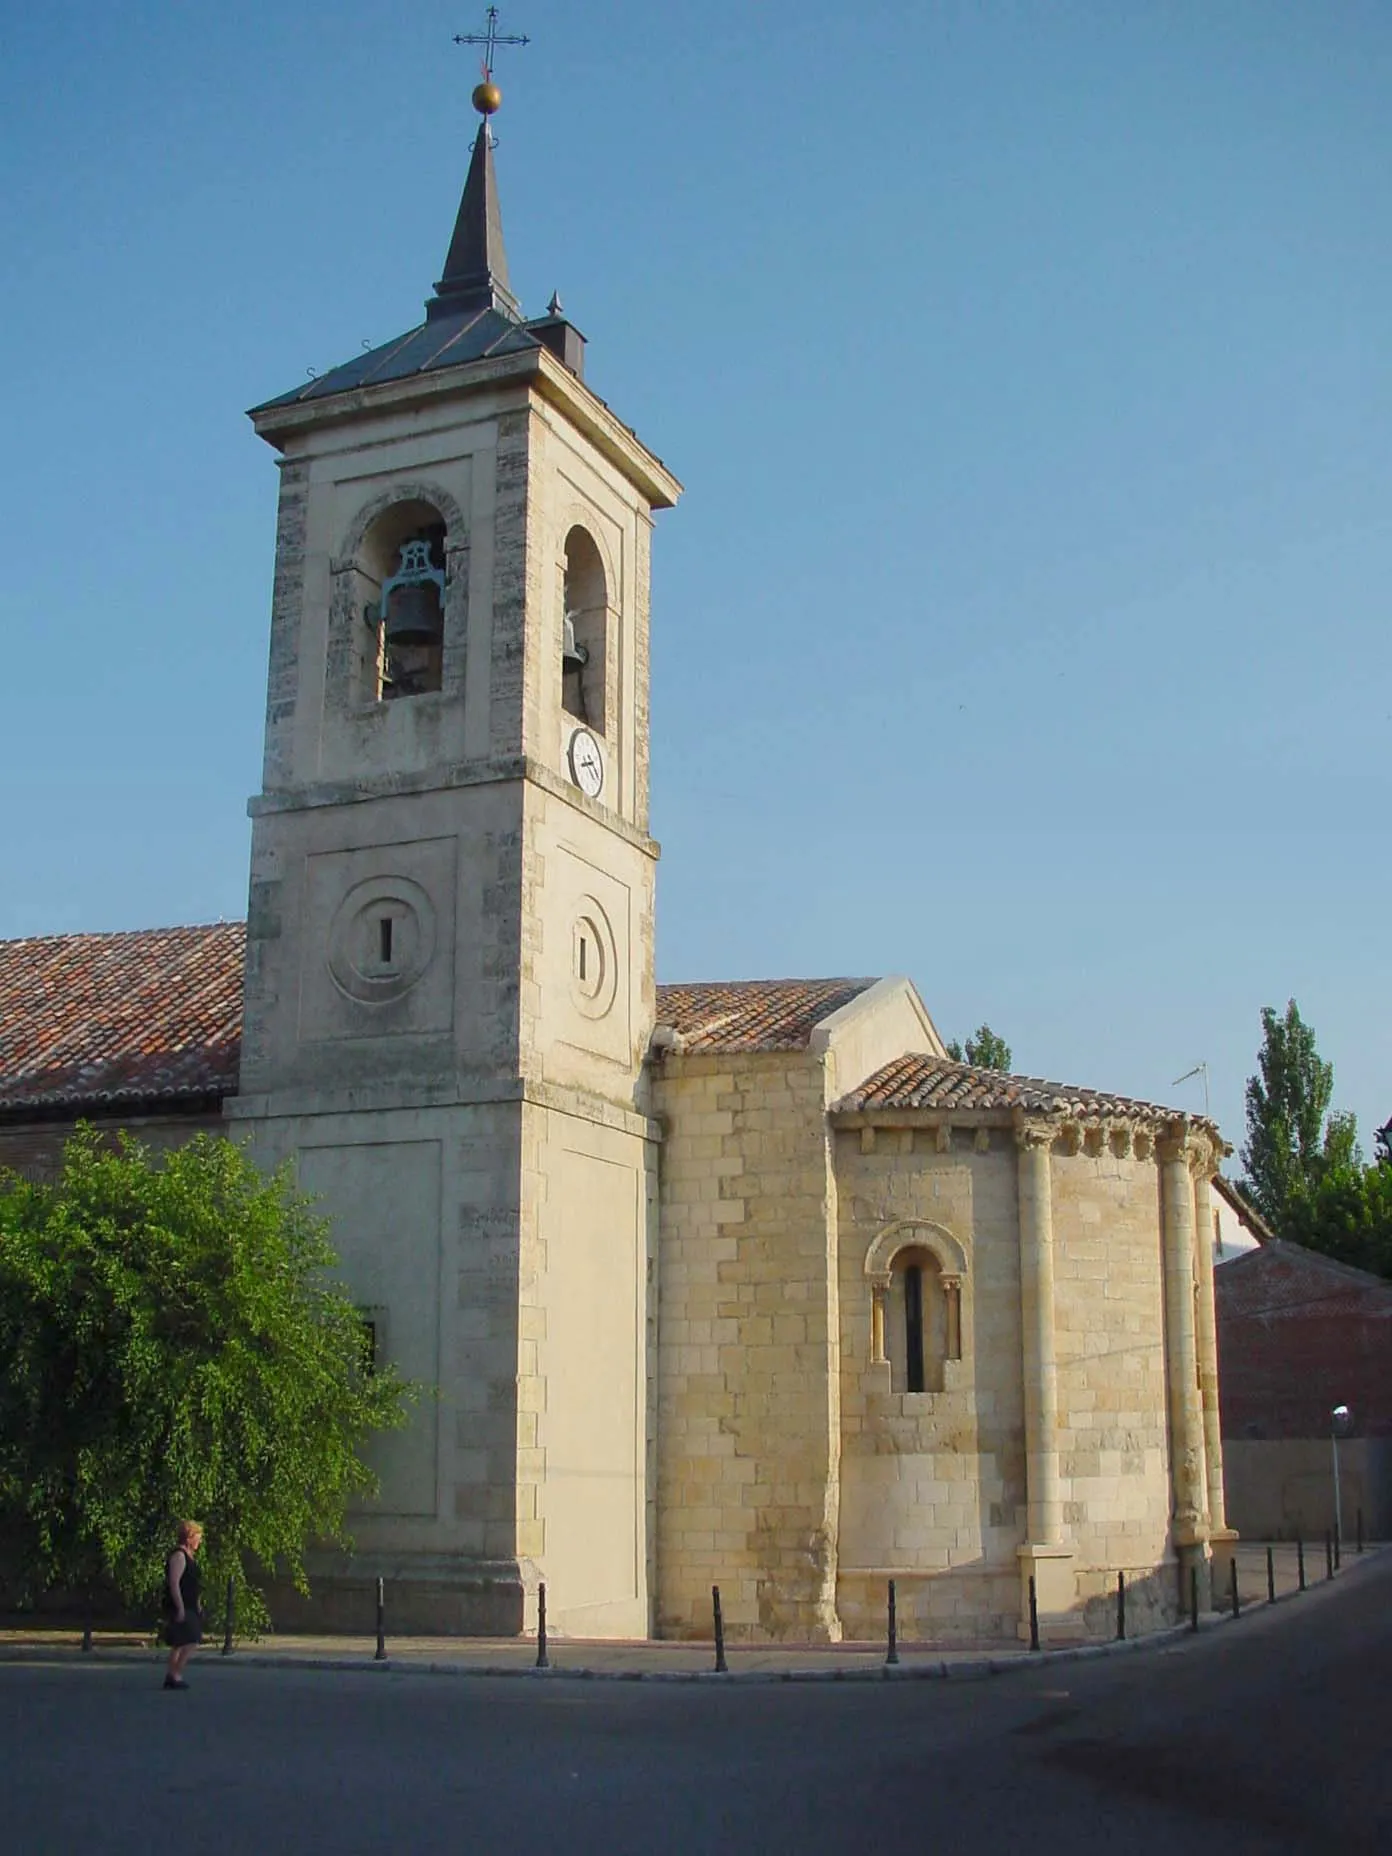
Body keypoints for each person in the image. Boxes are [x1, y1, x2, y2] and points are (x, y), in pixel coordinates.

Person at [162, 1521, 204, 1690]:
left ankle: (172, 1675)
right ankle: (174, 1674)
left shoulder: (190, 1555)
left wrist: (198, 1603)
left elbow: (194, 1583)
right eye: (197, 1538)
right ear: (189, 1538)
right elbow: (174, 1582)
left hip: (191, 1604)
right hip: (181, 1604)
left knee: (184, 1641)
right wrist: (179, 1607)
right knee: (187, 1640)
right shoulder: (179, 1555)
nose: (199, 1542)